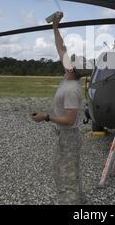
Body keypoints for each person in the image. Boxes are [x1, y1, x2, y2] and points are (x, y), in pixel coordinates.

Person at [31, 12, 87, 205]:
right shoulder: (69, 76)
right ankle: (79, 201)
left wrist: (46, 116)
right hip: (65, 135)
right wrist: (55, 26)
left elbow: (70, 120)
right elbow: (60, 46)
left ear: (73, 68)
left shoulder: (72, 89)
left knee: (66, 175)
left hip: (69, 135)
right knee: (69, 171)